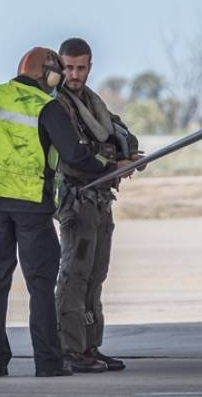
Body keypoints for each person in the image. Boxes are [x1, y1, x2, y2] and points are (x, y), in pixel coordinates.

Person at [0, 47, 118, 378]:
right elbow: (75, 155)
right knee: (40, 284)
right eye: (58, 75)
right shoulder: (46, 106)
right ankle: (48, 361)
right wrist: (109, 167)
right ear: (48, 75)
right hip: (30, 204)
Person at [54, 37, 141, 373]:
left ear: (90, 67)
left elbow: (120, 134)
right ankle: (70, 349)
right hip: (77, 201)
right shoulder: (57, 106)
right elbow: (74, 156)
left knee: (96, 274)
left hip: (100, 199)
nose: (74, 75)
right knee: (74, 274)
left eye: (80, 68)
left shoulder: (92, 103)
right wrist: (113, 163)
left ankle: (90, 346)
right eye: (68, 68)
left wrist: (127, 157)